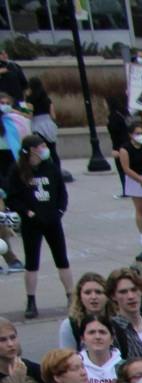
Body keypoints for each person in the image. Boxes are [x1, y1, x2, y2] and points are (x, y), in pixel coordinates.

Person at [8, 133, 71, 321]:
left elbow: (61, 192)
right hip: (32, 223)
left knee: (62, 259)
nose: (44, 149)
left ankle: (70, 295)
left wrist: (59, 211)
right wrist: (27, 213)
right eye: (40, 147)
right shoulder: (18, 170)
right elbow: (13, 197)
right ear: (31, 150)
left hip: (52, 221)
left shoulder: (50, 168)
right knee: (32, 263)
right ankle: (31, 301)